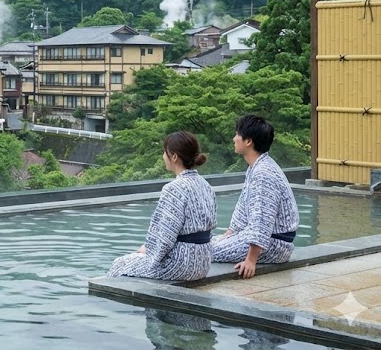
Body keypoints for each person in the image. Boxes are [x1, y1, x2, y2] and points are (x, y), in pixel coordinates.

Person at [108, 131, 216, 281]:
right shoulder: (205, 185)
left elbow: (165, 235)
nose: (163, 157)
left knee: (120, 264)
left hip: (181, 264)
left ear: (174, 156)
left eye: (165, 153)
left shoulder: (174, 188)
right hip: (203, 263)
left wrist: (147, 250)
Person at [211, 114, 299, 279]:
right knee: (209, 242)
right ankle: (150, 249)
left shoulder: (263, 173)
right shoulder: (258, 167)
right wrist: (229, 234)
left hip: (274, 245)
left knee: (202, 252)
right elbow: (243, 209)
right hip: (267, 241)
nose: (234, 138)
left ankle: (149, 252)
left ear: (248, 141)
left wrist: (251, 260)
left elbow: (262, 219)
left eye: (237, 134)